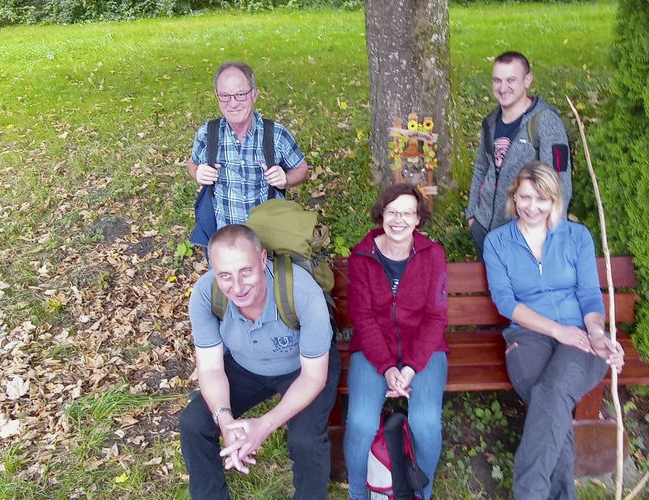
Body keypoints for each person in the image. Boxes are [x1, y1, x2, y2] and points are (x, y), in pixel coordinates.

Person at [482, 162, 624, 499]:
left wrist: (596, 334)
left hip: (581, 337)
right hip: (528, 336)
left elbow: (590, 296)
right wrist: (557, 331)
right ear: (513, 197)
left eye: (541, 199)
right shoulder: (498, 242)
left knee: (550, 396)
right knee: (551, 403)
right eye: (525, 197)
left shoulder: (576, 236)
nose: (532, 206)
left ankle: (528, 492)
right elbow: (507, 303)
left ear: (554, 201)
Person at [178, 224, 340, 499]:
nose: (238, 286)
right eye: (225, 276)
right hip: (246, 365)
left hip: (302, 367)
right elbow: (211, 368)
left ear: (263, 259)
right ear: (213, 269)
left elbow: (314, 376)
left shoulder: (301, 291)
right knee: (194, 423)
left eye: (246, 271)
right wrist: (226, 420)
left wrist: (264, 425)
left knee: (306, 441)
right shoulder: (206, 294)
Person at [343, 183, 449, 500]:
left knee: (426, 422)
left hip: (423, 352)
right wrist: (389, 368)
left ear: (418, 219)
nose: (398, 220)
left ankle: (420, 493)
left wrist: (411, 368)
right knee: (361, 422)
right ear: (382, 215)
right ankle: (359, 493)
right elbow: (362, 318)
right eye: (392, 212)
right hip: (374, 352)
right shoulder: (362, 256)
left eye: (407, 213)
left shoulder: (433, 255)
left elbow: (435, 318)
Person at [466, 51, 572, 260]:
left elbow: (560, 180)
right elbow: (481, 168)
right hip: (485, 230)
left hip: (526, 234)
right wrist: (472, 215)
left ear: (527, 80)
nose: (503, 88)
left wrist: (549, 231)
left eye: (511, 80)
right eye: (497, 80)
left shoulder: (545, 122)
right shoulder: (491, 122)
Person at [188, 61, 310, 227]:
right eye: (224, 96)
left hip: (268, 233)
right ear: (217, 97)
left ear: (254, 95)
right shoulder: (207, 133)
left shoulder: (276, 134)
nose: (232, 103)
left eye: (240, 94)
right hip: (225, 235)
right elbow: (192, 164)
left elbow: (302, 170)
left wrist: (286, 179)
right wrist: (197, 173)